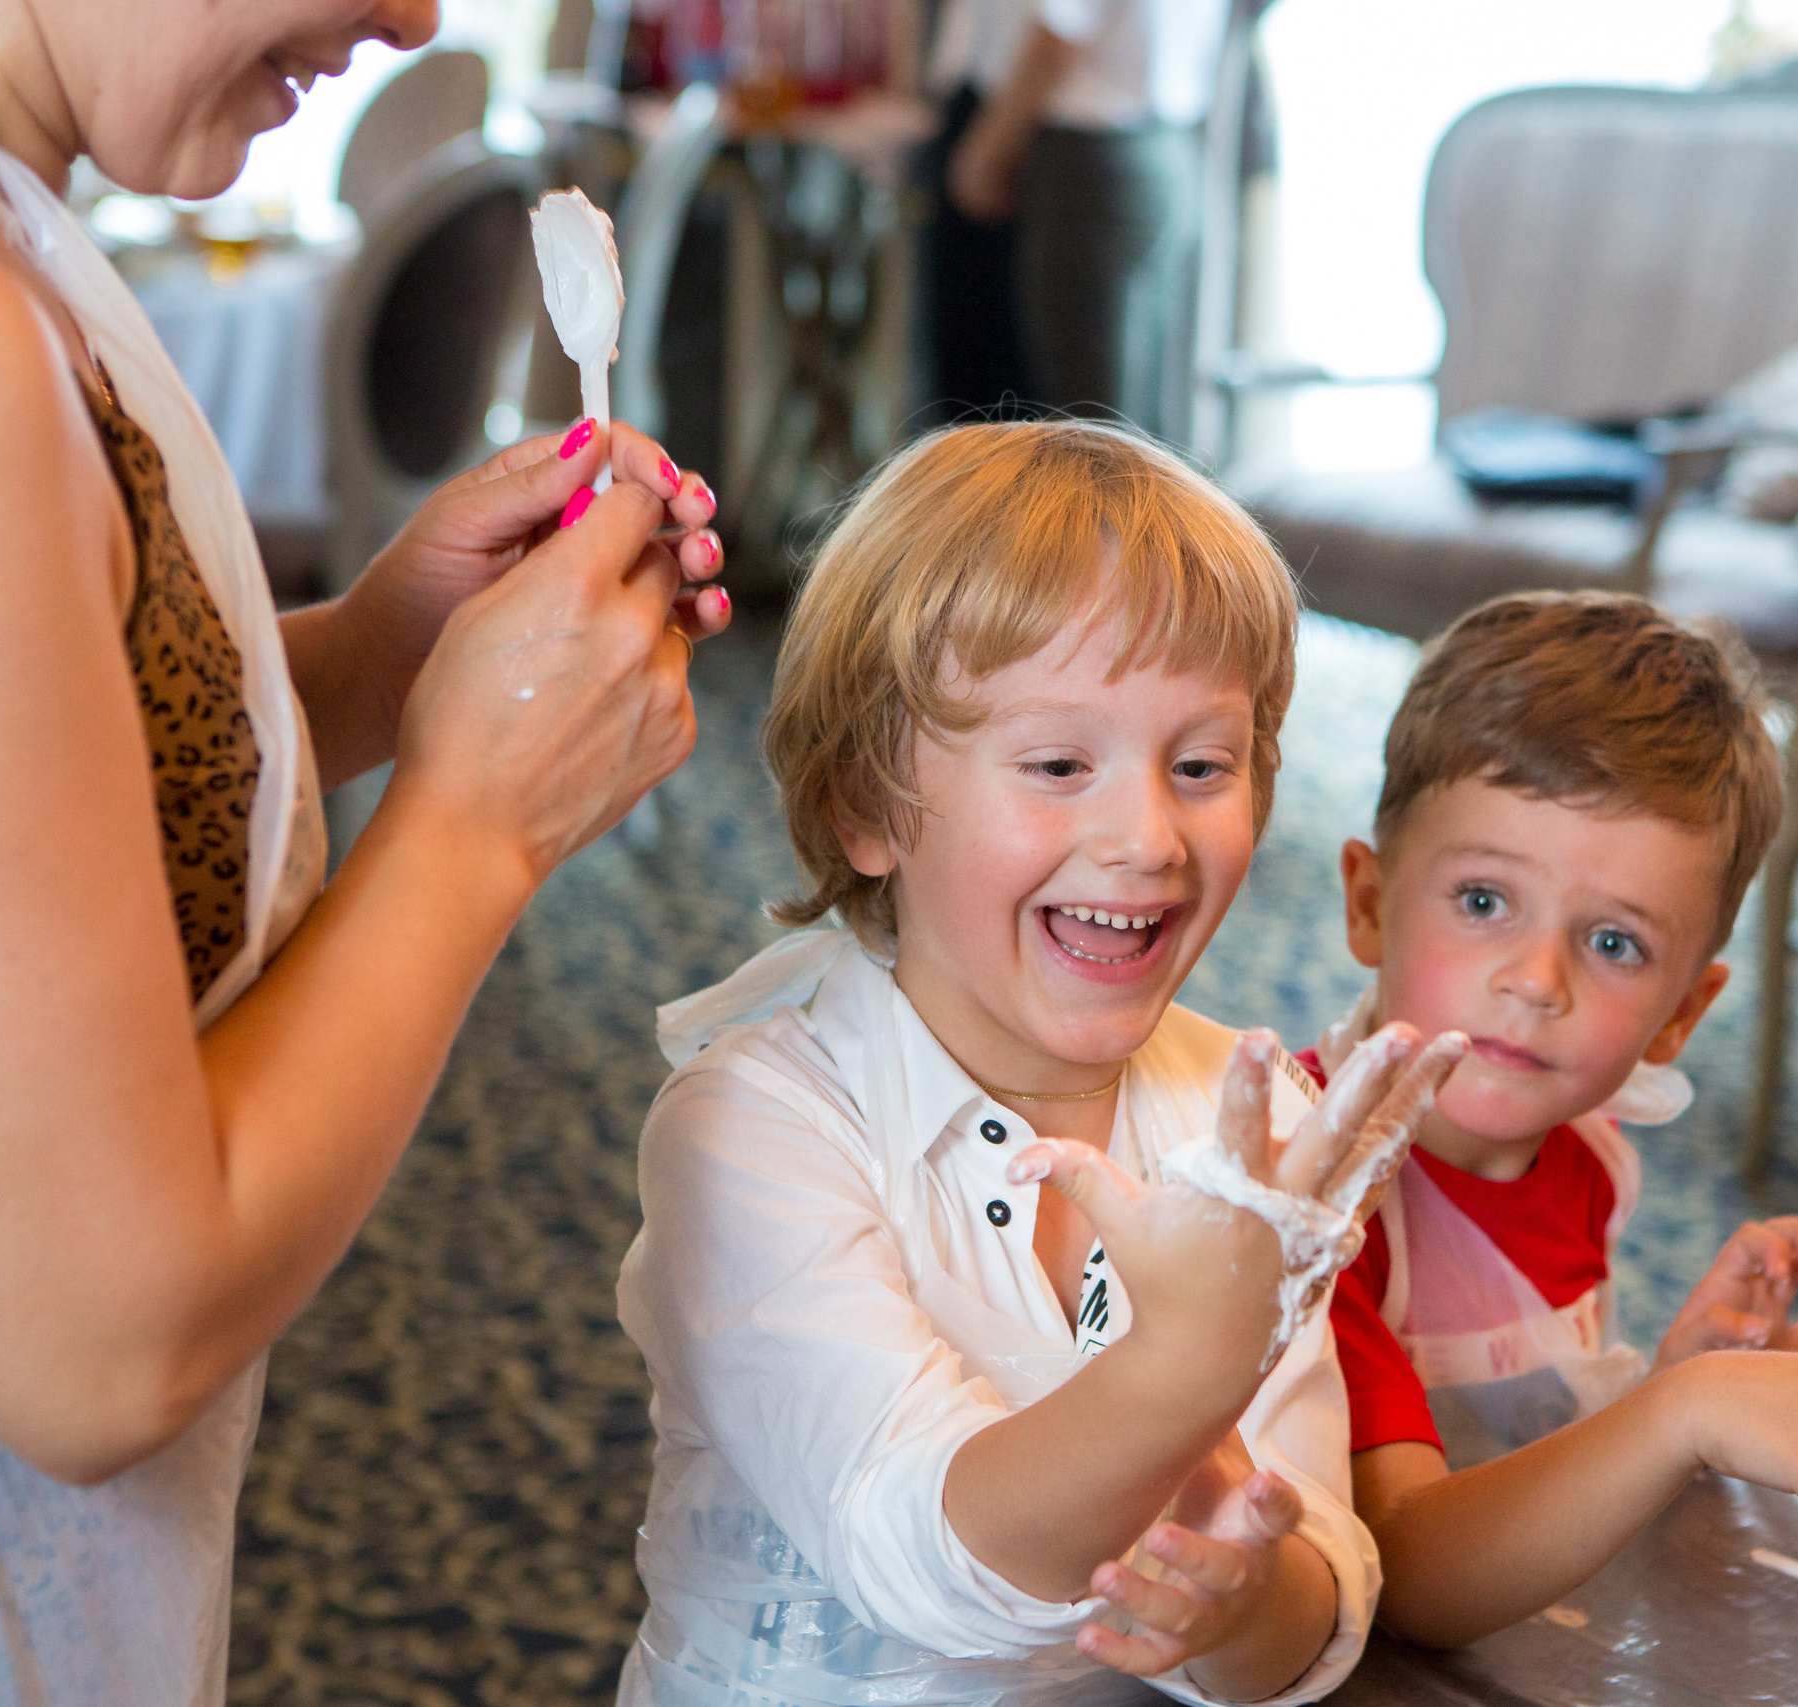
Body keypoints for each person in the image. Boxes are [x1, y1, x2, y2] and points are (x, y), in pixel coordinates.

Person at [0, 3, 732, 1701]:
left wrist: (382, 653)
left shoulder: (21, 225)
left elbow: (72, 806)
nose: (417, 17)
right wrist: (476, 817)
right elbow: (102, 1343)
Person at [615, 420, 1464, 1705]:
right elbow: (915, 1556)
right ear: (865, 805)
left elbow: (1312, 1586)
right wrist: (1189, 1357)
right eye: (1060, 764)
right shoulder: (754, 1126)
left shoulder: (1249, 1124)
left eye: (1202, 766)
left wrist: (1236, 1610)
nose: (1147, 836)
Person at [1305, 592, 1798, 1649]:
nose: (1535, 980)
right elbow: (1407, 1573)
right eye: (1482, 901)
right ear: (1370, 905)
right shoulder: (1308, 1193)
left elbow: (1528, 1453)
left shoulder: (1587, 1154)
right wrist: (1686, 1412)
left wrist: (1672, 1378)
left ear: (1681, 1016)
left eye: (1612, 944)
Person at [923, 0, 1227, 441]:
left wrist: (981, 156)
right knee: (1150, 426)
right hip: (1168, 149)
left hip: (1091, 161)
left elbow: (1060, 32)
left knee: (1092, 434)